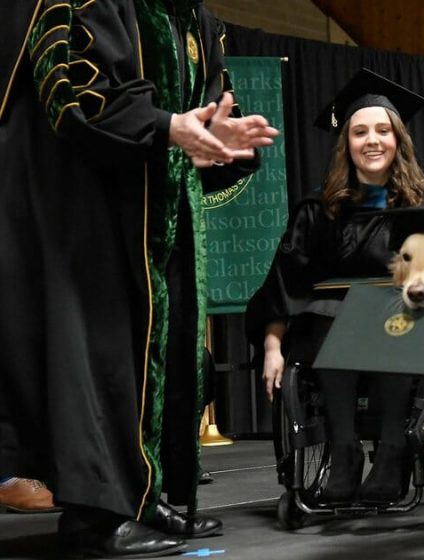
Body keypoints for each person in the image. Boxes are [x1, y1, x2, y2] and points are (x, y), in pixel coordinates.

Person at [0, 1, 278, 558]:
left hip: (150, 197)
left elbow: (202, 106)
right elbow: (72, 91)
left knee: (150, 347)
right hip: (75, 198)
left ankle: (140, 495)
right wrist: (166, 126)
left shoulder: (187, 15)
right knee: (94, 347)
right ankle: (96, 514)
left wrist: (213, 135)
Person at [246, 68, 424, 504]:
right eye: (360, 132)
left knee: (390, 317)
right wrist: (271, 346)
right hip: (329, 330)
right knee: (331, 318)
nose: (372, 140)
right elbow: (284, 281)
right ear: (347, 144)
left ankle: (393, 450)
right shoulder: (319, 210)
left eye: (383, 130)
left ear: (398, 140)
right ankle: (344, 452)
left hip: (407, 327)